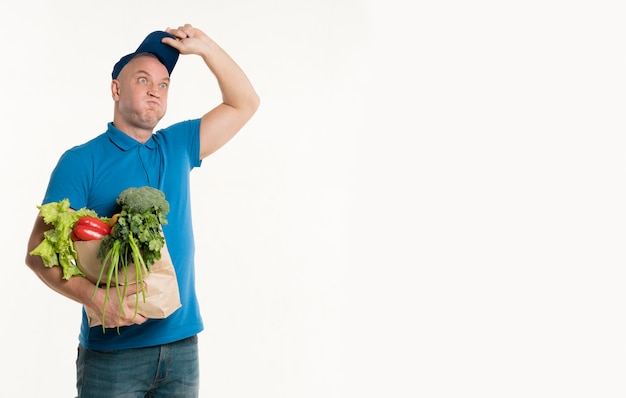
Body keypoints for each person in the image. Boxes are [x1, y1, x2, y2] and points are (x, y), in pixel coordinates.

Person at [25, 23, 259, 397]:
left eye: (164, 84)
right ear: (116, 88)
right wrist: (95, 297)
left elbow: (245, 102)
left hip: (182, 347)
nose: (155, 90)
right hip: (113, 355)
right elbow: (37, 255)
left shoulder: (178, 145)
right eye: (143, 80)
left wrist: (207, 48)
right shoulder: (80, 162)